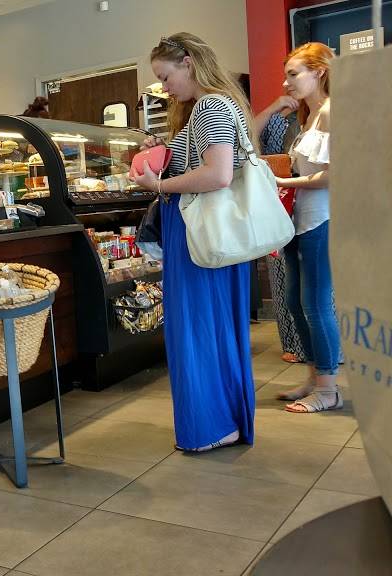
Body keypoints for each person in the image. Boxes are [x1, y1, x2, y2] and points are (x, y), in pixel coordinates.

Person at [132, 33, 256, 452]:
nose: (164, 88)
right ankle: (223, 420)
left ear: (188, 62)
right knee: (214, 327)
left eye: (165, 77)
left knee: (197, 328)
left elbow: (217, 174)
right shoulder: (215, 106)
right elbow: (209, 164)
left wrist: (158, 184)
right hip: (204, 233)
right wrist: (166, 152)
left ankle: (213, 425)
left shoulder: (209, 106)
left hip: (196, 235)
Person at [269, 42, 341, 413]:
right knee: (297, 303)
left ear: (320, 71)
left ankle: (328, 389)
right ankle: (314, 379)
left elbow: (334, 174)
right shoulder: (307, 116)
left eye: (293, 74)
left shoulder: (331, 112)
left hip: (321, 220)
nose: (287, 82)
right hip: (298, 221)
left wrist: (282, 182)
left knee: (315, 305)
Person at [254, 95, 307, 364]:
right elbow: (247, 135)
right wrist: (275, 107)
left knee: (316, 283)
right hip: (280, 204)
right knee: (283, 276)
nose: (288, 84)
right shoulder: (279, 120)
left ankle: (317, 347)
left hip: (312, 204)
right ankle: (295, 345)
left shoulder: (325, 115)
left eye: (294, 76)